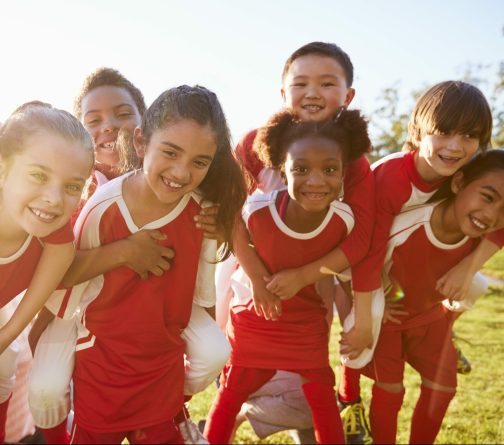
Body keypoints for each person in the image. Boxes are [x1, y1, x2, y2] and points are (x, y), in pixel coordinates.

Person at [28, 69, 229, 445]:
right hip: (80, 308)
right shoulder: (82, 192)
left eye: (122, 114)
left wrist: (221, 224)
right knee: (45, 387)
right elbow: (60, 278)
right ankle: (57, 432)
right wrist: (125, 252)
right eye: (94, 120)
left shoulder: (193, 200)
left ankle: (171, 410)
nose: (109, 127)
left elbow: (203, 289)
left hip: (159, 314)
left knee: (215, 351)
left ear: (140, 123)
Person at [214, 41, 374, 443]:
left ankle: (342, 406)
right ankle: (227, 416)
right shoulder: (255, 142)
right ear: (283, 93)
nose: (313, 93)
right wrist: (253, 272)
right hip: (251, 270)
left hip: (317, 277)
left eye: (327, 83)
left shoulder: (353, 160)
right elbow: (230, 209)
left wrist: (305, 275)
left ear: (347, 95)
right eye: (300, 83)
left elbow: (361, 239)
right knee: (237, 359)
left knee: (308, 365)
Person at [336, 80, 499, 444]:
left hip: (399, 260)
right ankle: (348, 396)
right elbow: (368, 250)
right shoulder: (392, 178)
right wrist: (369, 308)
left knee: (476, 284)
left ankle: (448, 327)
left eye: (470, 136)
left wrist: (467, 266)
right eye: (442, 132)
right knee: (365, 325)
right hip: (355, 257)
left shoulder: (464, 171)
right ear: (418, 130)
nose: (455, 146)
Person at [362, 149, 504, 444]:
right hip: (388, 317)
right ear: (457, 183)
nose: (492, 215)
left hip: (428, 318)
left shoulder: (479, 232)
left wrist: (469, 267)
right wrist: (376, 300)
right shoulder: (410, 224)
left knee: (443, 387)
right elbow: (364, 260)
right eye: (487, 197)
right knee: (390, 391)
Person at [0, 102, 94, 443]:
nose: (54, 199)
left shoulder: (56, 241)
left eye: (72, 186)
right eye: (38, 175)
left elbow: (14, 327)